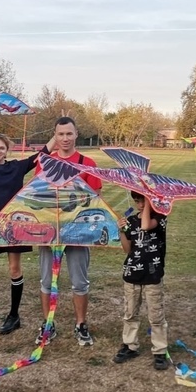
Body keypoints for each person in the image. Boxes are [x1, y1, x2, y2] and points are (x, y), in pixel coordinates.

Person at [0, 123, 55, 336]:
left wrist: (56, 133)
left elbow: (43, 154)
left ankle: (14, 315)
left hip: (15, 226)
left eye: (2, 148)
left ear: (7, 149)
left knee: (15, 269)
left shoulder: (16, 167)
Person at [35, 116, 103, 347]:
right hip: (50, 232)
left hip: (77, 233)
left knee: (80, 283)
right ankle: (47, 325)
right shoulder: (45, 162)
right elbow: (37, 195)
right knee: (46, 281)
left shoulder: (87, 163)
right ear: (55, 135)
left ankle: (81, 324)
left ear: (76, 134)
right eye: (60, 134)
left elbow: (96, 199)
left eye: (69, 134)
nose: (64, 138)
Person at [112, 191, 169, 370]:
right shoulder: (131, 221)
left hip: (153, 275)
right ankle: (130, 345)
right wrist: (122, 231)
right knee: (130, 312)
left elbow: (145, 225)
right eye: (137, 202)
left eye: (143, 201)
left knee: (156, 315)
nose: (140, 205)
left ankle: (160, 350)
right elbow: (127, 249)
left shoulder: (160, 217)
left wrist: (149, 199)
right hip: (132, 274)